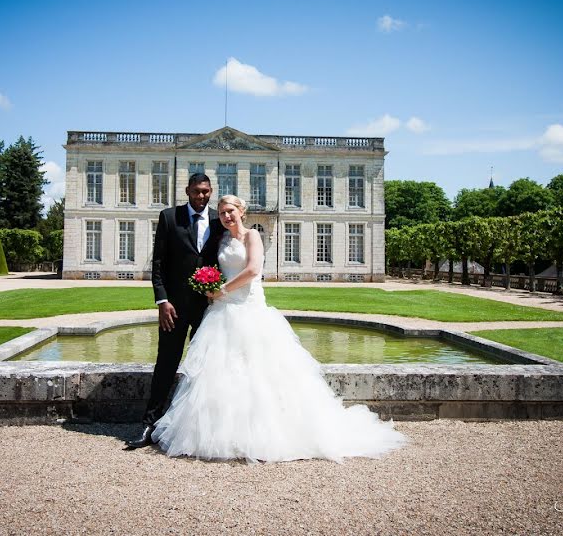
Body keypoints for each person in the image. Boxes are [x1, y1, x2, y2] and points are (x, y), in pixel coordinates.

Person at [151, 195, 407, 462]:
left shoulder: (253, 236)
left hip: (248, 309)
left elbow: (252, 270)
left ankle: (267, 435)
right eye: (222, 212)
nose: (226, 216)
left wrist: (221, 289)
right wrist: (208, 285)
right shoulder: (222, 239)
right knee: (221, 374)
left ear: (242, 211)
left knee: (260, 374)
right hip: (221, 312)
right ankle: (225, 435)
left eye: (230, 211)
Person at [126, 173, 226, 449]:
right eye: (197, 191)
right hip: (174, 307)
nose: (202, 196)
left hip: (208, 307)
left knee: (205, 368)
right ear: (187, 191)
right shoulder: (170, 217)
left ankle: (197, 427)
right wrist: (162, 301)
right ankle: (150, 423)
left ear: (211, 191)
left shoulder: (220, 222)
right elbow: (158, 263)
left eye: (206, 191)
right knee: (166, 363)